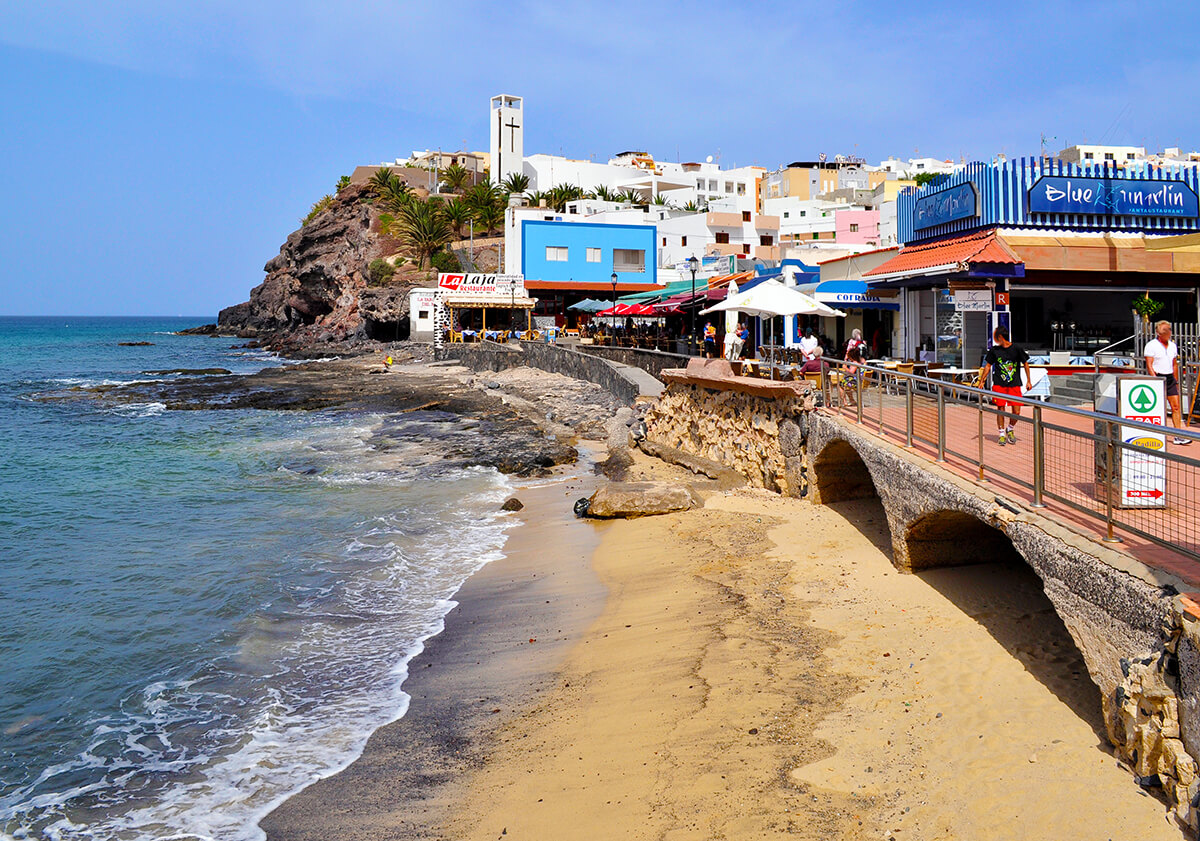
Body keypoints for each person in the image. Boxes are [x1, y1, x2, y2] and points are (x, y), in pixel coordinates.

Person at [979, 325, 1033, 446]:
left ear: (1000, 337)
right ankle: (1002, 434)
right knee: (1001, 408)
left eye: (995, 337)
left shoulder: (1017, 348)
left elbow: (1025, 364)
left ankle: (1010, 428)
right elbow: (987, 366)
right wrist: (982, 381)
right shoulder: (994, 350)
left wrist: (1029, 381)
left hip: (1014, 384)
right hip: (999, 384)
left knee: (1017, 411)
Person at [1145, 319, 1191, 445]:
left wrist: (1175, 379)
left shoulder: (1172, 346)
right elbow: (1149, 364)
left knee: (1176, 407)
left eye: (1169, 330)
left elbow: (1174, 364)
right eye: (1165, 330)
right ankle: (1155, 433)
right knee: (1157, 408)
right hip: (1158, 377)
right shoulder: (1151, 345)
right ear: (1158, 332)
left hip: (1170, 377)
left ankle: (1178, 436)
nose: (1168, 332)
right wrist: (1155, 379)